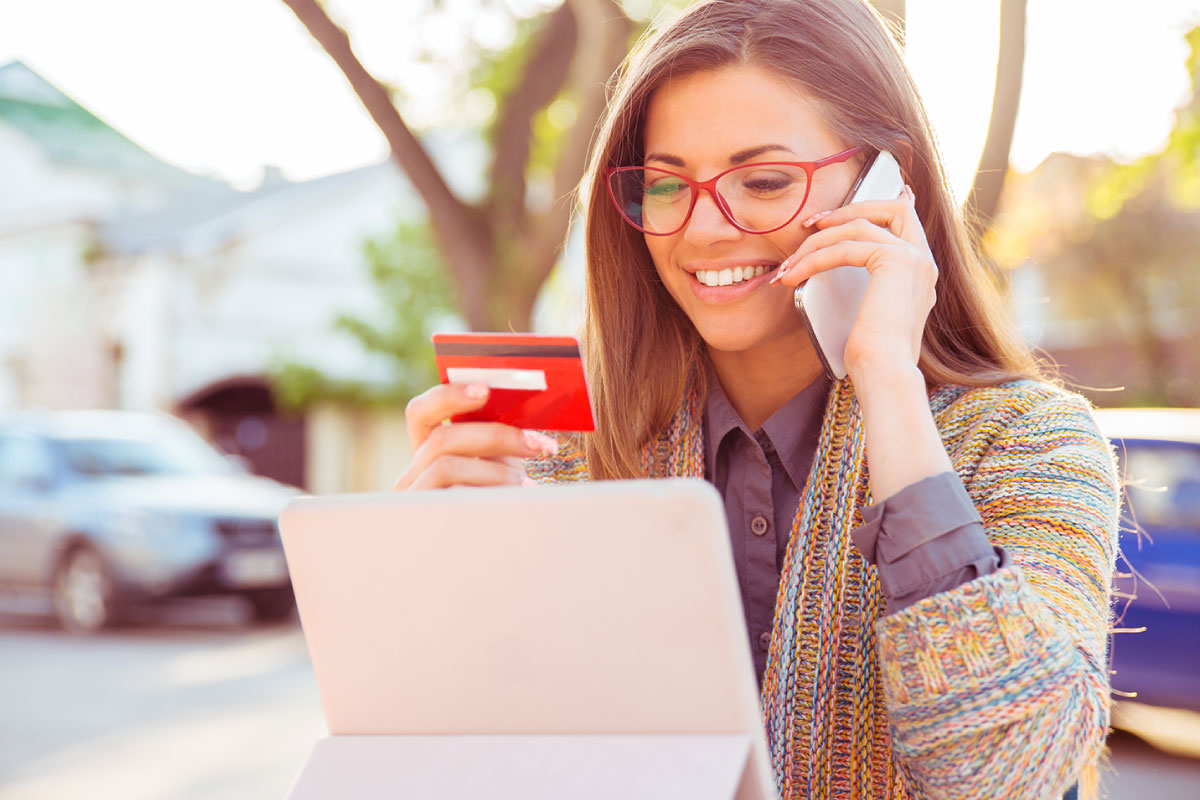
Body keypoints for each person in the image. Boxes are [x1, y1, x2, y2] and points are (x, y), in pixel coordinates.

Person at [394, 1, 1120, 798]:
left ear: (887, 182)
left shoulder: (1030, 442)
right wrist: (451, 590)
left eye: (765, 181)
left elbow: (1014, 773)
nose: (703, 229)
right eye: (667, 185)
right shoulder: (564, 452)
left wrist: (889, 382)